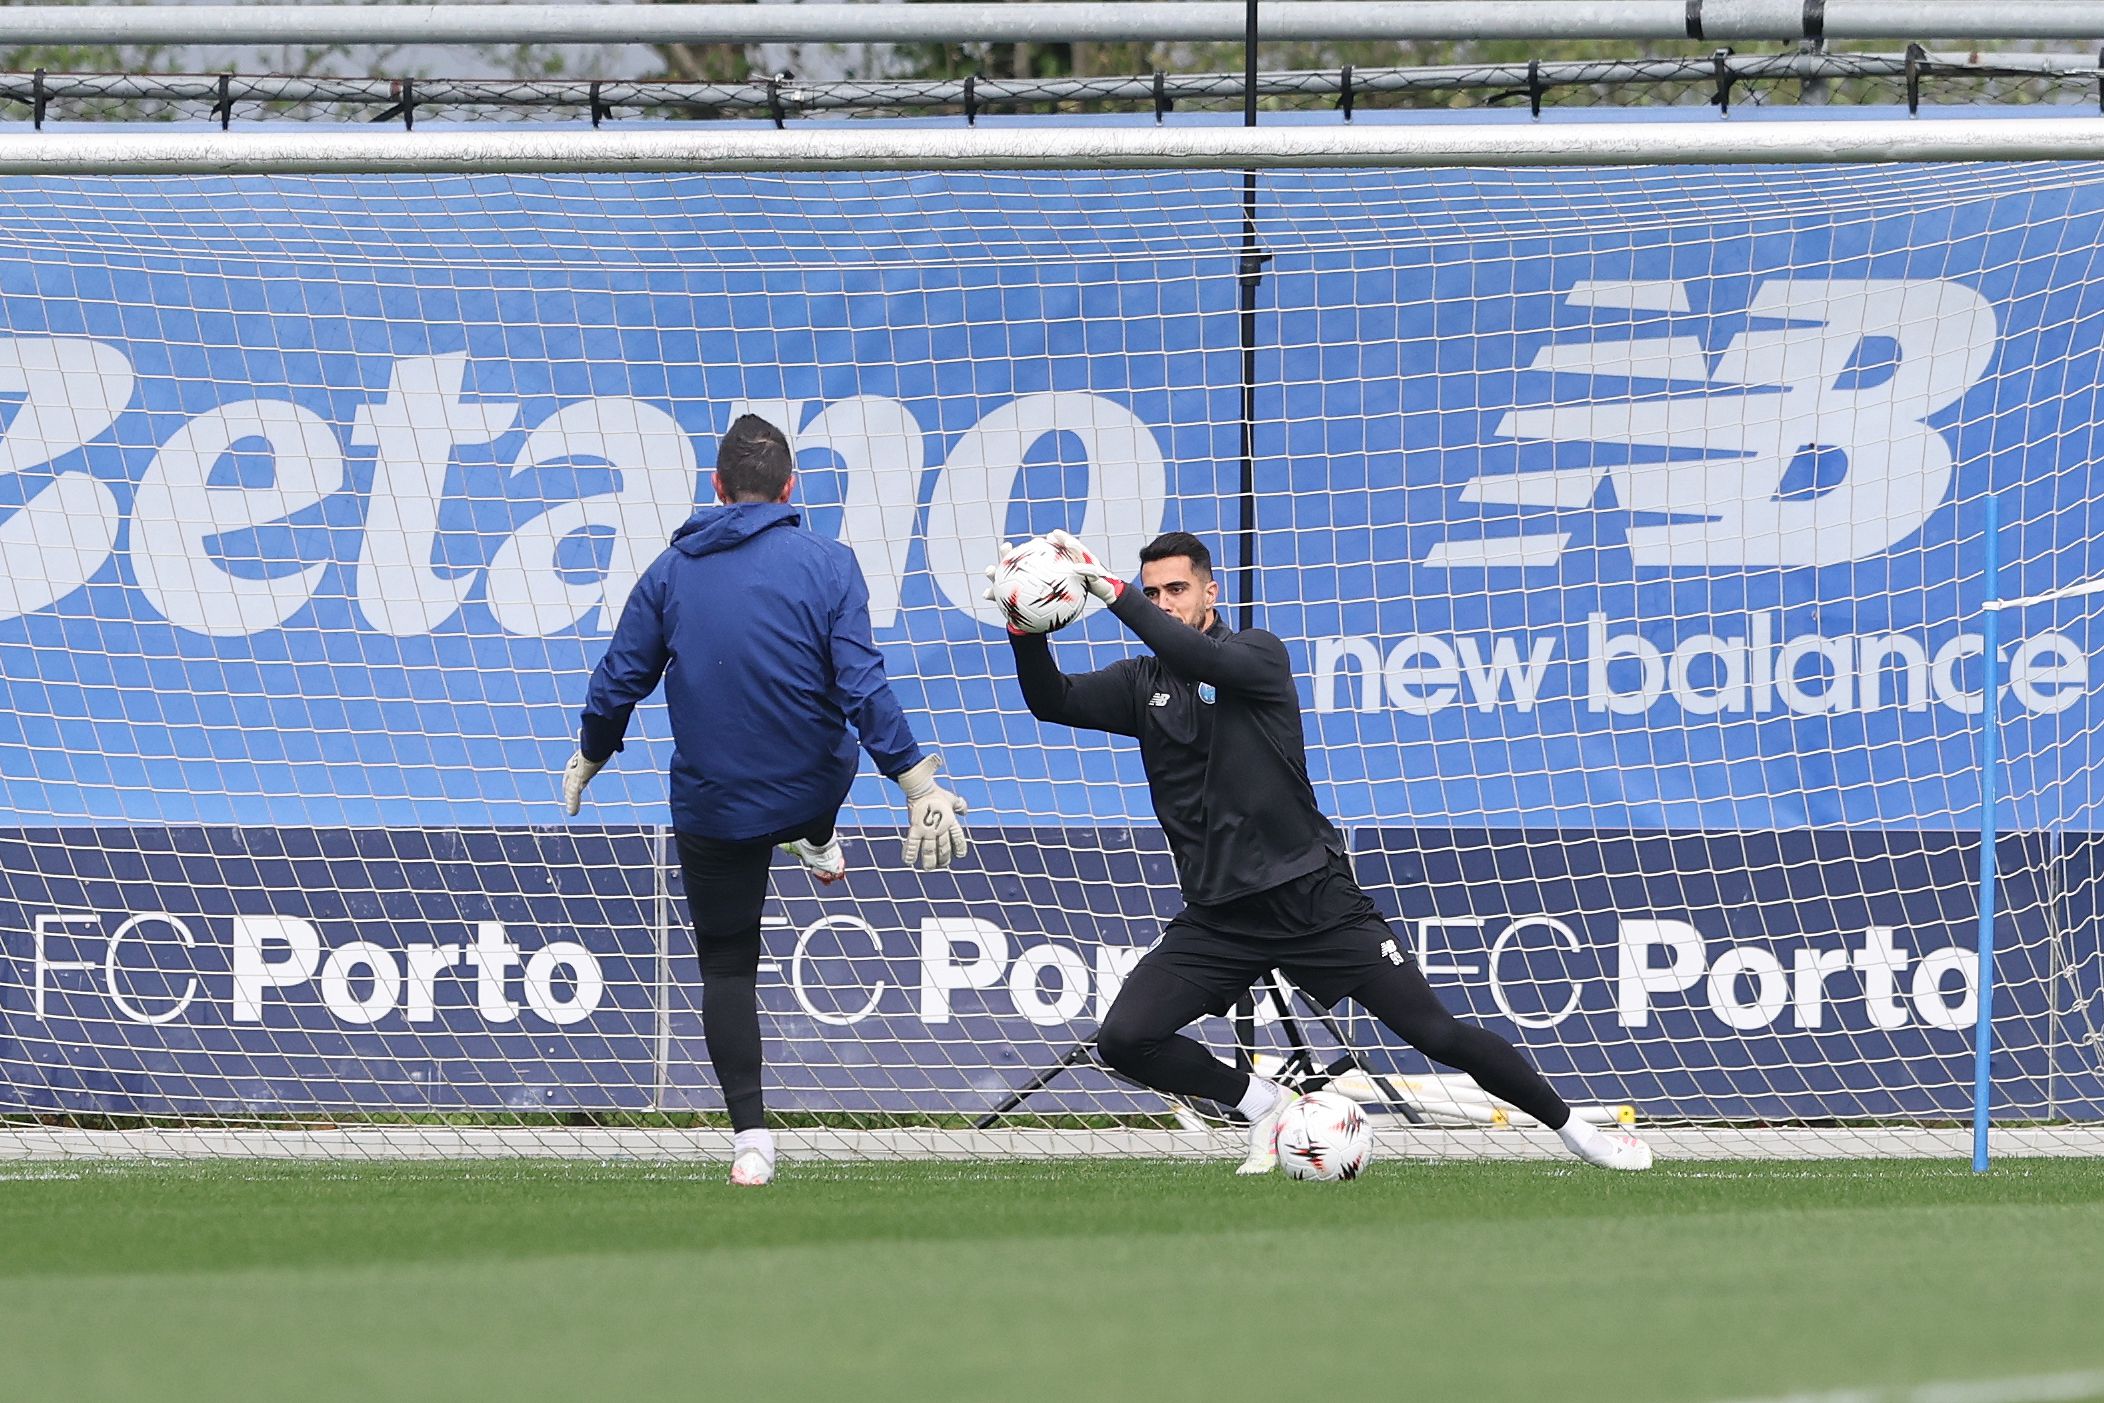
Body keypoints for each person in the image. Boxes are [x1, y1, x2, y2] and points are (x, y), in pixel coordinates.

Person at [993, 528, 1651, 1173]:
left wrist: (1114, 592)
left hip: (1314, 901)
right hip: (1220, 918)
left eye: (1176, 589)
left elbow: (1204, 662)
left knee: (1437, 1033)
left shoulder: (1257, 653)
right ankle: (1266, 1104)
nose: (1163, 602)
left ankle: (1582, 1133)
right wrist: (1023, 624)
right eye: (1153, 591)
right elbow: (1052, 700)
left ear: (1210, 593)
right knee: (1124, 1040)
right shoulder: (1143, 681)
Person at [564, 414, 968, 1187]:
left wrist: (592, 752)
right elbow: (862, 686)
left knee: (727, 967)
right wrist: (916, 781)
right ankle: (815, 833)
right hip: (811, 783)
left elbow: (618, 679)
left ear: (717, 487)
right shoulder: (831, 562)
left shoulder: (670, 571)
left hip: (714, 806)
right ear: (790, 490)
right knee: (831, 748)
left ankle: (752, 1142)